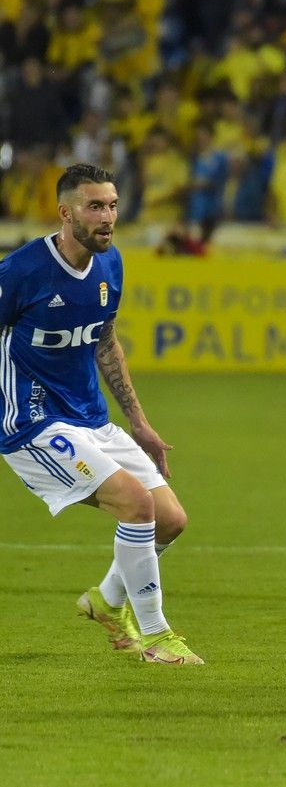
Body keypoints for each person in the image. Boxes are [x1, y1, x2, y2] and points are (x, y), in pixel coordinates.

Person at [0, 163, 202, 664]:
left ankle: (107, 601)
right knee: (136, 505)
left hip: (90, 417)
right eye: (95, 206)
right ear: (65, 213)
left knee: (171, 520)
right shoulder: (22, 271)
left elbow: (105, 342)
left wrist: (139, 423)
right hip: (33, 423)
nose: (108, 216)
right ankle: (155, 637)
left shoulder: (111, 265)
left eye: (112, 205)